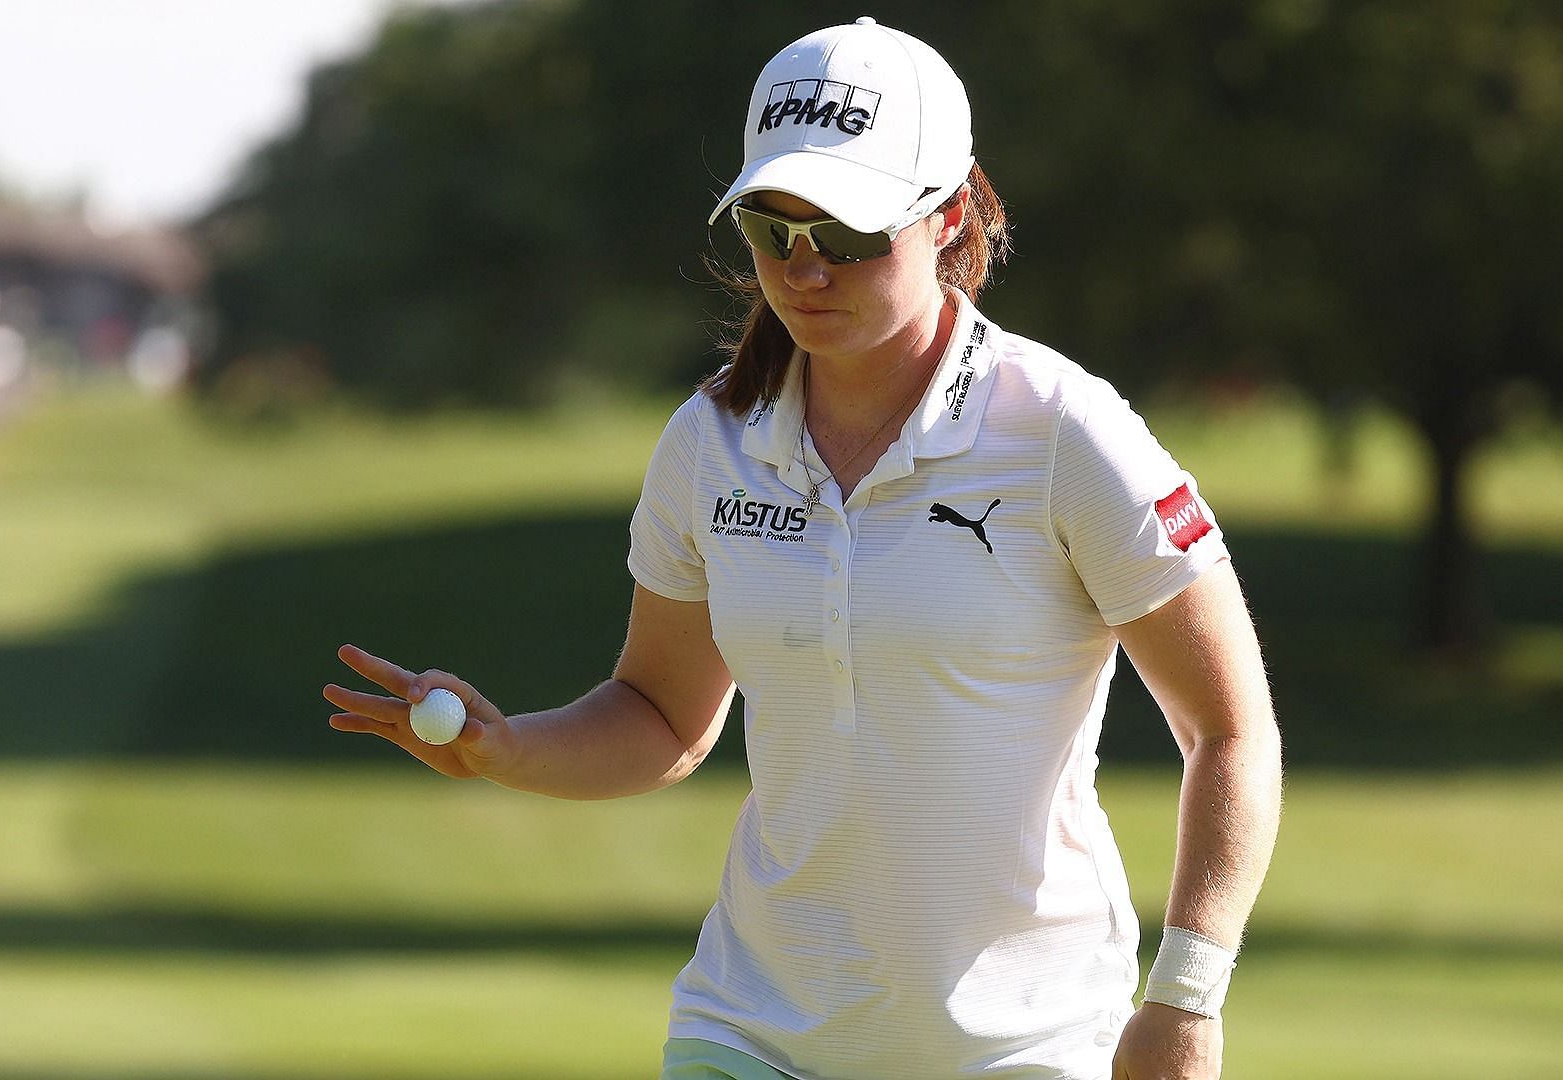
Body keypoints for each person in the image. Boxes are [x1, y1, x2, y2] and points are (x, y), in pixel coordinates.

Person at [323, 15, 1282, 1080]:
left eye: (849, 234)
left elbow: (1231, 731)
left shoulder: (1064, 433)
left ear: (949, 214)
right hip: (754, 1034)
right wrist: (508, 750)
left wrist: (1188, 999)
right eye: (773, 231)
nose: (806, 268)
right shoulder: (711, 443)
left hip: (1026, 1045)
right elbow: (662, 717)